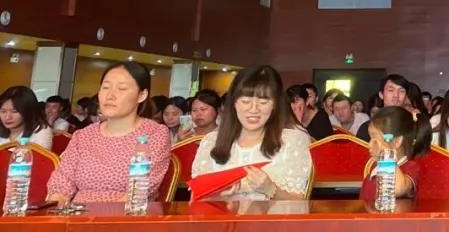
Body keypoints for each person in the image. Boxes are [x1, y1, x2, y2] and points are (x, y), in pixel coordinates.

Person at [46, 62, 171, 205]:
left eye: (121, 88)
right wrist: (57, 203)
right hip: (77, 213)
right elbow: (62, 180)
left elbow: (141, 190)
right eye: (105, 87)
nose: (110, 95)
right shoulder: (83, 135)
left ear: (141, 95)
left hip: (125, 214)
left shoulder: (154, 134)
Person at [192, 66, 312, 200]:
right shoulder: (211, 142)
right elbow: (196, 199)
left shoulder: (292, 141)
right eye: (246, 101)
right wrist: (219, 198)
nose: (253, 109)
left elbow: (299, 203)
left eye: (263, 102)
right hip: (220, 214)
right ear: (234, 103)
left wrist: (270, 188)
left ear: (274, 105)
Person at [359, 106, 432, 201]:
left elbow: (397, 189)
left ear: (397, 141)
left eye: (375, 139)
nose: (369, 145)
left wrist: (386, 153)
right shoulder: (375, 168)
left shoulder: (411, 167)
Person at [356, 74, 410, 142]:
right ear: (381, 94)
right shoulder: (367, 127)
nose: (396, 95)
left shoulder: (413, 125)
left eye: (401, 91)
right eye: (391, 90)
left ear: (406, 96)